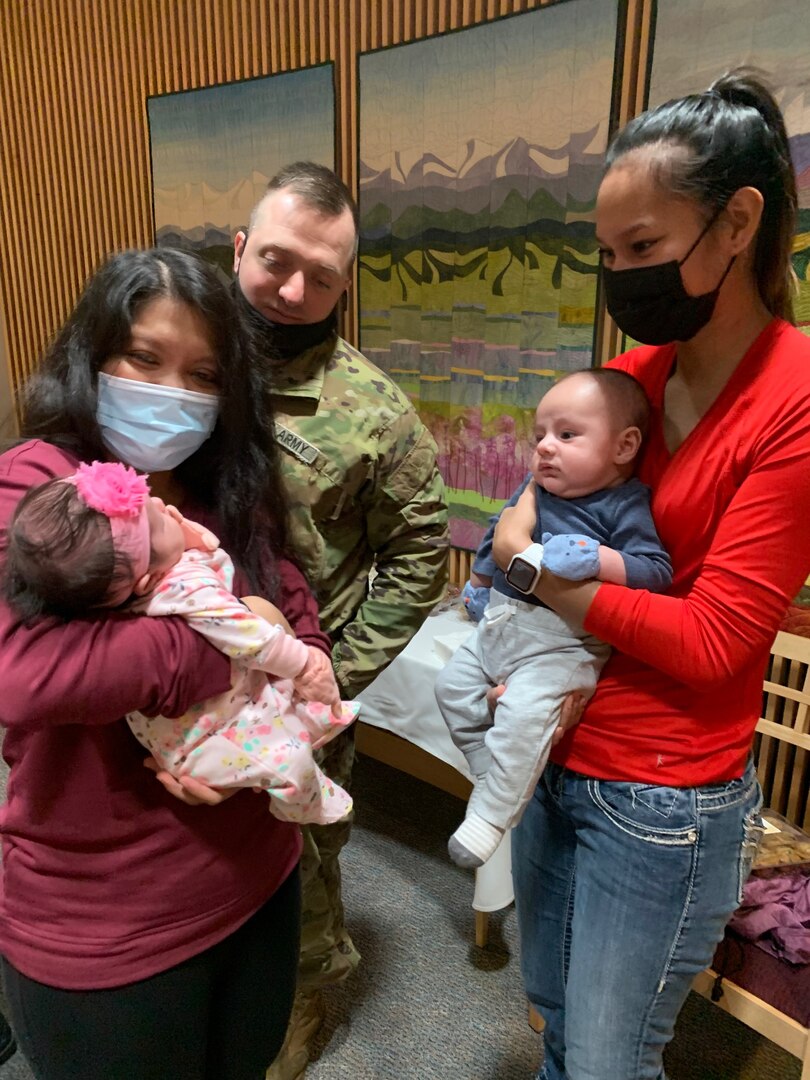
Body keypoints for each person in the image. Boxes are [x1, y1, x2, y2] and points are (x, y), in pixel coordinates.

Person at [491, 70, 810, 1080]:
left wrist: (538, 578)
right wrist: (528, 560)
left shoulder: (794, 401)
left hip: (665, 802)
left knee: (610, 1063)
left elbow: (717, 640)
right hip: (560, 753)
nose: (621, 278)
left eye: (642, 249)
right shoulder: (632, 378)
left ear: (737, 225)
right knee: (554, 1020)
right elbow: (519, 510)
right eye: (608, 254)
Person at [0, 247, 330, 1079]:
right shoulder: (35, 491)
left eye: (203, 374)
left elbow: (299, 616)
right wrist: (234, 643)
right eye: (145, 360)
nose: (171, 394)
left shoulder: (230, 484)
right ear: (94, 356)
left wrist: (290, 689)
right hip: (108, 915)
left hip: (257, 874)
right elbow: (25, 675)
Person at [231, 162, 450, 1078]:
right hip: (169, 673)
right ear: (237, 248)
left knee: (303, 862)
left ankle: (307, 1002)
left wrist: (338, 677)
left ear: (345, 283)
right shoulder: (181, 360)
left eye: (322, 275)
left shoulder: (376, 414)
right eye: (276, 261)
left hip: (297, 690)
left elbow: (420, 553)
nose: (293, 292)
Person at [4, 460, 360, 825]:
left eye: (150, 500)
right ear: (147, 582)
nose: (161, 506)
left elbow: (204, 545)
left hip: (222, 706)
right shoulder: (184, 589)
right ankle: (307, 803)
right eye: (155, 521)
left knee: (281, 707)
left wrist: (169, 528)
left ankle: (305, 728)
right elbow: (252, 639)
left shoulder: (122, 569)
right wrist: (305, 664)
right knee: (287, 763)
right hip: (203, 735)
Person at [435, 369, 672, 868]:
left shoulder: (623, 503)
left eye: (566, 435)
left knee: (521, 717)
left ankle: (491, 817)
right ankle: (488, 771)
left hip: (560, 644)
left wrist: (597, 560)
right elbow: (498, 535)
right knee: (451, 688)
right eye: (539, 434)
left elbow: (656, 570)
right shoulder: (533, 489)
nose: (544, 447)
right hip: (499, 625)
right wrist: (478, 585)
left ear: (625, 446)